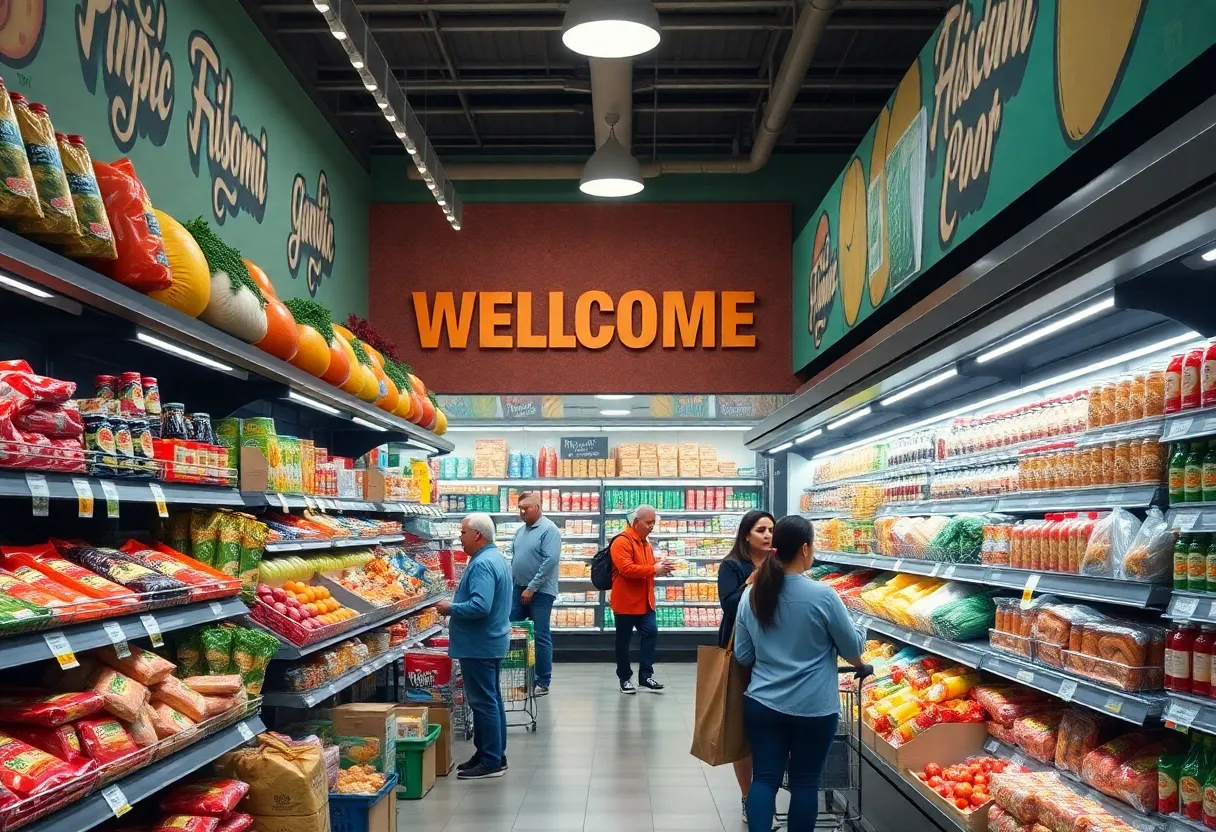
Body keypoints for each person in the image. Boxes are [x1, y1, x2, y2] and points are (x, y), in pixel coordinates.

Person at [734, 515, 870, 832]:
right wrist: (860, 632)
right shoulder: (823, 596)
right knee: (805, 782)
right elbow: (852, 648)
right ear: (805, 548)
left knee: (764, 779)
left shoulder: (751, 594)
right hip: (814, 707)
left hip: (763, 703)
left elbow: (743, 655)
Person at [437, 513, 512, 780]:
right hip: (489, 640)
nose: (460, 536)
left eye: (463, 532)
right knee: (491, 700)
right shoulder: (495, 559)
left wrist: (450, 608)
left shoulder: (482, 564)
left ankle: (491, 760)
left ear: (478, 535)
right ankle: (490, 753)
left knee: (483, 702)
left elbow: (481, 606)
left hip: (479, 644)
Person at [716, 510, 775, 823]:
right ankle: (747, 795)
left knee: (768, 730)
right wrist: (751, 581)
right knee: (743, 730)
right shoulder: (732, 566)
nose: (767, 535)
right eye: (760, 529)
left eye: (771, 530)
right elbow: (728, 605)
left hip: (775, 658)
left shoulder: (781, 565)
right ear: (746, 535)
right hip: (740, 655)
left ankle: (765, 793)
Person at [609, 504, 673, 694]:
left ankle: (645, 676)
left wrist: (659, 566)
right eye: (648, 523)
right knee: (623, 642)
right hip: (626, 602)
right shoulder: (621, 541)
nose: (652, 526)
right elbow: (626, 569)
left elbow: (645, 567)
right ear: (636, 522)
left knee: (651, 634)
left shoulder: (645, 542)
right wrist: (654, 569)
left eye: (654, 522)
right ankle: (624, 678)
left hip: (645, 601)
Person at [510, 491, 559, 695]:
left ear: (537, 508)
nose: (522, 512)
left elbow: (550, 561)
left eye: (525, 508)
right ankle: (520, 677)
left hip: (540, 592)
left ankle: (542, 681)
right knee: (513, 631)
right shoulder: (521, 531)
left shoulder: (549, 530)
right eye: (520, 509)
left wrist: (532, 587)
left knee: (540, 635)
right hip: (519, 589)